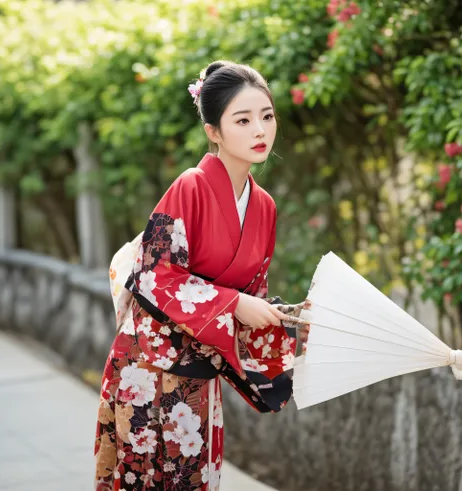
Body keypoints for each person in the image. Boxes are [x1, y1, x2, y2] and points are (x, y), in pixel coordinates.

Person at [94, 60, 309, 490]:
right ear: (214, 131)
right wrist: (234, 304)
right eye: (243, 120)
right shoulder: (189, 187)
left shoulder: (264, 206)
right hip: (148, 367)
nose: (260, 130)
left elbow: (251, 295)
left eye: (267, 117)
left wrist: (290, 320)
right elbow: (154, 276)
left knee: (195, 480)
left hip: (201, 374)